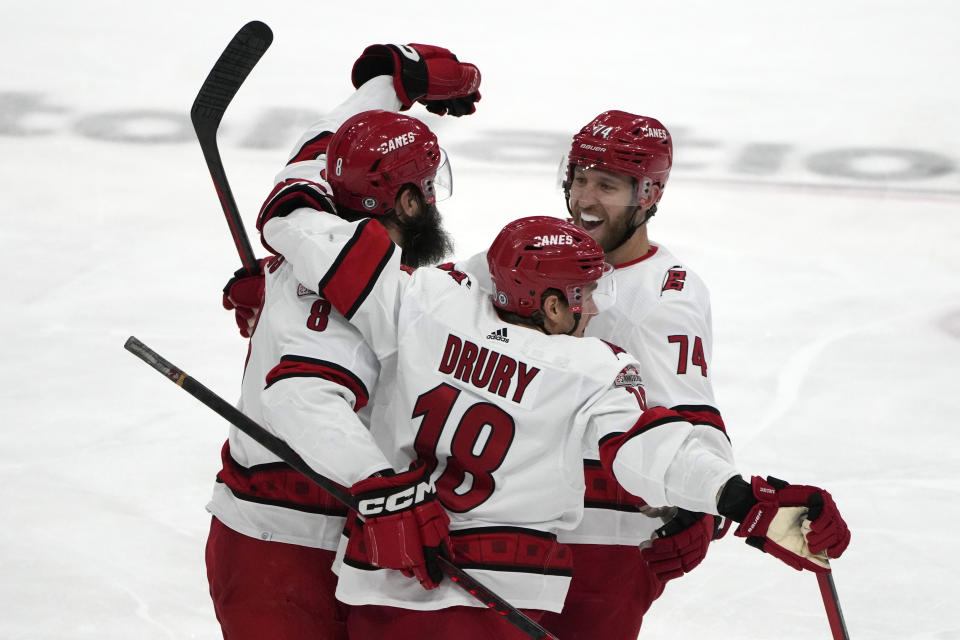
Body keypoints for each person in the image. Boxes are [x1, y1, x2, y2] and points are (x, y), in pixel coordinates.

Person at [261, 212, 849, 640]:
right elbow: (651, 455)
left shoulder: (432, 302)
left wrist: (281, 285)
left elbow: (324, 247)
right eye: (583, 294)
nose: (593, 308)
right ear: (548, 305)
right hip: (500, 602)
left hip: (384, 587)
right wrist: (741, 499)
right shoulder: (592, 367)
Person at [206, 43, 481, 640]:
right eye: (428, 188)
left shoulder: (313, 205)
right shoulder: (356, 284)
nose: (435, 199)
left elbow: (319, 147)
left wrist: (392, 82)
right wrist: (384, 490)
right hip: (286, 550)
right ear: (408, 201)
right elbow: (303, 397)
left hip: (284, 534)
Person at [450, 111, 733, 638]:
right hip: (517, 519)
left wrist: (704, 507)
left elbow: (691, 411)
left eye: (606, 185)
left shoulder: (663, 299)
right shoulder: (537, 253)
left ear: (648, 195)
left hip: (608, 541)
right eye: (579, 177)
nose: (584, 198)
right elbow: (425, 301)